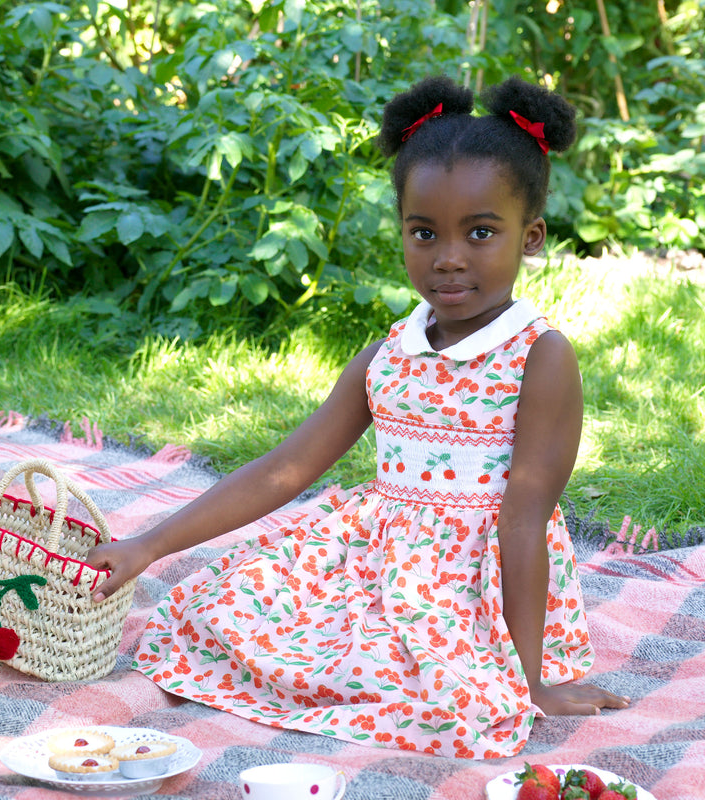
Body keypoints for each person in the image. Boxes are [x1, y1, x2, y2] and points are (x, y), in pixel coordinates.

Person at [87, 75, 630, 758]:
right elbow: (285, 470)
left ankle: (463, 670)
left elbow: (523, 516)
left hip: (476, 588)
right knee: (215, 614)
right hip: (377, 563)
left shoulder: (539, 357)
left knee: (459, 705)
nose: (449, 258)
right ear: (402, 228)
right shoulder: (388, 355)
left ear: (532, 236)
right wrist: (147, 546)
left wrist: (528, 681)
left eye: (481, 232)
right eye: (424, 232)